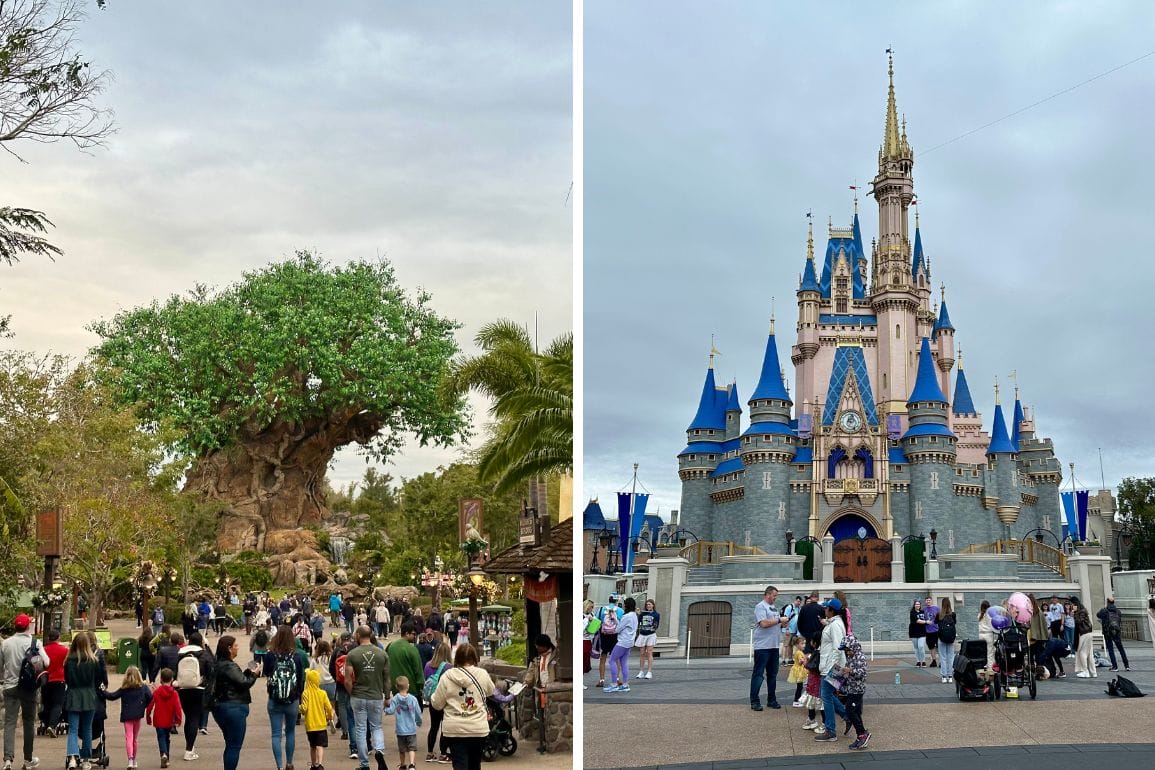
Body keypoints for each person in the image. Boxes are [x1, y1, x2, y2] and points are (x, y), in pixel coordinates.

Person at [429, 644, 494, 770]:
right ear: (474, 658)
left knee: (459, 764)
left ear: (457, 658)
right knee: (475, 764)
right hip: (477, 728)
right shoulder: (482, 674)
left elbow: (437, 704)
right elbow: (490, 691)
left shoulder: (447, 676)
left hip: (455, 729)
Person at [2, 613, 49, 770]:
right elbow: (47, 662)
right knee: (28, 722)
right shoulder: (35, 643)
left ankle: (8, 759)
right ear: (28, 626)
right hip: (28, 688)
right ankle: (28, 759)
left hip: (9, 687)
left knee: (10, 723)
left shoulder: (5, 643)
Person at [344, 625, 391, 770]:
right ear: (371, 635)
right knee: (376, 726)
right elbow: (387, 678)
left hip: (358, 695)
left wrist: (352, 693)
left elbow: (347, 680)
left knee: (360, 729)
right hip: (376, 695)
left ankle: (364, 764)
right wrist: (387, 696)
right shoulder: (382, 654)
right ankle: (379, 751)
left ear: (358, 635)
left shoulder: (352, 654)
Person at [210, 635, 260, 770]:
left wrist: (247, 672)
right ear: (229, 648)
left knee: (230, 743)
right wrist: (254, 674)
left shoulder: (218, 664)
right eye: (235, 645)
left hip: (220, 707)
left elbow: (236, 680)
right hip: (233, 707)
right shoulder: (229, 665)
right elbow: (244, 683)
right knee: (234, 746)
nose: (237, 648)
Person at [263, 624, 307, 770]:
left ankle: (279, 766)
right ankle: (289, 762)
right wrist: (298, 695)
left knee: (276, 734)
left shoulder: (270, 655)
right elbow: (300, 678)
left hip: (274, 699)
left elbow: (267, 673)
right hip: (292, 700)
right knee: (290, 732)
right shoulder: (296, 656)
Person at [64, 630, 105, 770]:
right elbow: (98, 680)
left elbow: (67, 679)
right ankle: (86, 759)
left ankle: (72, 757)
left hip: (73, 696)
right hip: (89, 695)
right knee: (87, 728)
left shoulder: (69, 661)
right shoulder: (93, 661)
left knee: (73, 729)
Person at [101, 665, 152, 769]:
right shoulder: (143, 688)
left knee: (129, 737)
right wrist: (143, 706)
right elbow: (151, 698)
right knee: (135, 739)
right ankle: (134, 760)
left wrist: (102, 690)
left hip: (127, 715)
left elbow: (112, 696)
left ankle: (130, 760)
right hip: (138, 715)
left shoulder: (124, 689)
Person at [174, 631, 214, 761]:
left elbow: (175, 670)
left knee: (189, 717)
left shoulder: (180, 653)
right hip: (199, 688)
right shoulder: (204, 654)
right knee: (195, 718)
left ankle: (189, 747)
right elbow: (211, 670)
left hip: (183, 689)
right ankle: (189, 750)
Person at [814, 598, 848, 742]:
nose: (824, 610)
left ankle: (831, 731)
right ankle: (847, 716)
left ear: (831, 611)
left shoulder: (835, 625)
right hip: (835, 666)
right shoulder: (835, 623)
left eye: (826, 608)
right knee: (827, 694)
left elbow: (838, 648)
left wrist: (830, 668)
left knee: (826, 696)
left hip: (833, 667)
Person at [749, 585, 787, 711]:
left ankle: (771, 699)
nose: (775, 598)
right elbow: (763, 623)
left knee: (772, 674)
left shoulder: (773, 608)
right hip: (763, 647)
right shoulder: (760, 606)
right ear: (768, 594)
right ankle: (754, 701)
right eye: (774, 595)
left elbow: (775, 623)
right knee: (758, 674)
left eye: (776, 596)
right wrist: (779, 620)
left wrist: (782, 623)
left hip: (774, 646)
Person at [838, 633, 870, 750]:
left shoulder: (860, 657)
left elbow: (862, 672)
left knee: (850, 711)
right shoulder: (851, 657)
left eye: (848, 650)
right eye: (846, 650)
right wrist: (842, 674)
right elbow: (848, 672)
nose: (847, 652)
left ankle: (862, 734)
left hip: (857, 690)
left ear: (854, 647)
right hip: (851, 689)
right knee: (855, 712)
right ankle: (861, 735)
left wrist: (850, 671)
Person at [146, 667, 183, 769]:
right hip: (169, 720)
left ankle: (163, 754)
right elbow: (178, 707)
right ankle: (167, 758)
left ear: (161, 679)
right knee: (167, 738)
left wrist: (148, 717)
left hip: (158, 720)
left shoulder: (157, 692)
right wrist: (178, 719)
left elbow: (150, 706)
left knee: (161, 738)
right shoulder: (174, 693)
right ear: (172, 679)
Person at [299, 668, 335, 770]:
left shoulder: (305, 693)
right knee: (320, 745)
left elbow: (304, 709)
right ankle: (320, 764)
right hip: (321, 725)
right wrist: (329, 716)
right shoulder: (322, 693)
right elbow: (329, 707)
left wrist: (298, 708)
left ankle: (313, 764)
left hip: (310, 726)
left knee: (313, 746)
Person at [383, 675, 422, 770]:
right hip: (411, 729)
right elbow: (417, 711)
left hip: (400, 729)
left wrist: (385, 708)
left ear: (396, 686)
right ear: (408, 686)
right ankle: (412, 764)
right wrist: (418, 721)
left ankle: (403, 764)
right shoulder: (413, 699)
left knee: (402, 749)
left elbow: (391, 710)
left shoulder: (395, 699)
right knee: (412, 748)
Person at [423, 642, 453, 763]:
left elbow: (426, 680)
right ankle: (443, 754)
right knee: (444, 727)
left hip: (433, 700)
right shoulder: (449, 667)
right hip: (445, 700)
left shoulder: (427, 665)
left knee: (434, 726)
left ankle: (430, 753)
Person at [386, 623, 426, 711]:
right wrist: (421, 687)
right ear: (407, 633)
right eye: (413, 634)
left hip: (396, 689)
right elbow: (418, 670)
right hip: (412, 689)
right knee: (413, 715)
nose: (415, 637)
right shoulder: (412, 649)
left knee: (400, 715)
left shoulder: (390, 646)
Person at [39, 628, 69, 738]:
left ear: (48, 638)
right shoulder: (65, 650)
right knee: (58, 704)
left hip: (46, 679)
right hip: (59, 679)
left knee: (47, 703)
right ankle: (52, 725)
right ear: (58, 638)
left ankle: (46, 723)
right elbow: (67, 664)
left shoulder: (43, 650)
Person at [605, 596, 638, 693]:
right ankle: (625, 684)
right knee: (624, 662)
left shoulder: (626, 616)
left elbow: (617, 629)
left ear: (626, 605)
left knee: (612, 660)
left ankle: (614, 684)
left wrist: (614, 623)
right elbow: (623, 626)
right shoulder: (634, 615)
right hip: (630, 641)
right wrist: (616, 620)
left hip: (623, 641)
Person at [594, 595, 623, 688]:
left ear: (609, 600)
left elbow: (596, 622)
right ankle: (617, 679)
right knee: (616, 658)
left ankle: (601, 680)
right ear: (616, 601)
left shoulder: (601, 609)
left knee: (603, 658)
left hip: (604, 636)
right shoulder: (620, 610)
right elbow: (622, 624)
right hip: (615, 636)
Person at [1097, 596, 1130, 671]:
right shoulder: (1118, 611)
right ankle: (1127, 666)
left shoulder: (1104, 610)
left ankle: (1115, 667)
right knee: (1121, 649)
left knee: (1111, 649)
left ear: (1107, 602)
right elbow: (1119, 620)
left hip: (1107, 632)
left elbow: (1098, 615)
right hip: (1116, 631)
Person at [634, 599, 660, 679]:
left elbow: (656, 624)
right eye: (647, 604)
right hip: (643, 634)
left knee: (649, 652)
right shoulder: (643, 613)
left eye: (649, 604)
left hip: (651, 634)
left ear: (653, 605)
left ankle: (649, 671)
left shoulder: (656, 614)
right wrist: (639, 614)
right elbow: (639, 622)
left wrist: (652, 627)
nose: (648, 606)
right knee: (642, 653)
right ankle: (641, 671)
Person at [936, 597, 958, 684]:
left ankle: (944, 677)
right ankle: (950, 676)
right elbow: (955, 623)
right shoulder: (953, 614)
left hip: (941, 638)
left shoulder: (939, 614)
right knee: (950, 657)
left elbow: (935, 623)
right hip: (951, 638)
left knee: (943, 657)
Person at [1073, 598, 1096, 678]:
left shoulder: (1081, 611)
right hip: (1087, 633)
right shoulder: (1083, 610)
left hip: (1084, 633)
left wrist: (1075, 613)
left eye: (1072, 604)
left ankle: (1085, 671)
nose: (1072, 606)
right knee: (1089, 653)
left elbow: (1079, 621)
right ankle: (1093, 672)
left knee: (1082, 652)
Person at [787, 635, 807, 708]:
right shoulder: (799, 653)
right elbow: (801, 661)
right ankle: (796, 701)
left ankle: (797, 701)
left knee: (800, 687)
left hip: (798, 671)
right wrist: (806, 659)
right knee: (800, 687)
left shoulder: (798, 652)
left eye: (804, 643)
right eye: (802, 643)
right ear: (797, 644)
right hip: (800, 671)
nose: (804, 645)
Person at [908, 599, 928, 667]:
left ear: (920, 605)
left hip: (922, 632)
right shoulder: (912, 612)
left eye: (918, 604)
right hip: (914, 632)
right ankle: (918, 661)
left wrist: (928, 621)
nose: (917, 605)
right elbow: (918, 621)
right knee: (916, 648)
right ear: (914, 605)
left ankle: (923, 661)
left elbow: (927, 618)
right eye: (916, 604)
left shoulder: (923, 612)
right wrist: (926, 622)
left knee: (921, 646)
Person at [977, 600, 996, 671]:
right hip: (988, 634)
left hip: (981, 635)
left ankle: (983, 666)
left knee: (983, 652)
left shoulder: (979, 615)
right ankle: (990, 668)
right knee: (990, 652)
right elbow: (992, 625)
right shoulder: (990, 615)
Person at [581, 600, 596, 685]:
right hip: (583, 640)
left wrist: (594, 621)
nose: (592, 609)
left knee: (586, 661)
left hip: (589, 640)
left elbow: (594, 628)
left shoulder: (592, 615)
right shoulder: (582, 616)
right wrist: (586, 620)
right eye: (591, 607)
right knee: (582, 662)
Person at [923, 596, 939, 668]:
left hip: (937, 630)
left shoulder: (937, 608)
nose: (928, 601)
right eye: (927, 600)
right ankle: (934, 660)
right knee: (931, 647)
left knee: (939, 646)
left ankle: (941, 662)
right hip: (928, 631)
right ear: (925, 601)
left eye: (929, 600)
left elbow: (941, 617)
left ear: (931, 601)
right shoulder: (923, 609)